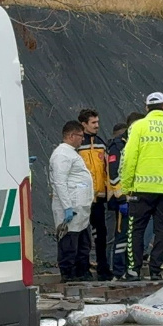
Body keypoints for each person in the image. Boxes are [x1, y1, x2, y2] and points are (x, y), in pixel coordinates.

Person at [120, 92, 163, 281]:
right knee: (162, 228)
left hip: (142, 188)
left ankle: (133, 270)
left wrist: (127, 185)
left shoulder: (139, 127)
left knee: (136, 228)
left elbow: (129, 158)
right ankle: (156, 270)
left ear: (146, 108)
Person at [50, 120, 94, 281]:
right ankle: (68, 274)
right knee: (69, 243)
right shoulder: (62, 154)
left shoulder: (71, 153)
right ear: (70, 135)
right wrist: (67, 207)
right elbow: (60, 182)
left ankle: (81, 272)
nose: (82, 139)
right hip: (71, 207)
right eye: (80, 136)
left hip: (80, 207)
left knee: (82, 243)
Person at [108, 113, 145, 277]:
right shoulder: (118, 145)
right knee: (122, 236)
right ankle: (118, 271)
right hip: (123, 198)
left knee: (135, 235)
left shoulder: (141, 141)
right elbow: (114, 174)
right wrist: (122, 198)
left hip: (139, 197)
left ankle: (132, 269)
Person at [76, 108, 111, 281]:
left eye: (98, 122)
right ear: (83, 124)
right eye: (93, 123)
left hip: (99, 197)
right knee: (82, 234)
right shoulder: (77, 146)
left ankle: (103, 269)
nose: (97, 126)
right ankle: (83, 269)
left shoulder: (101, 143)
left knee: (101, 235)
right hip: (82, 197)